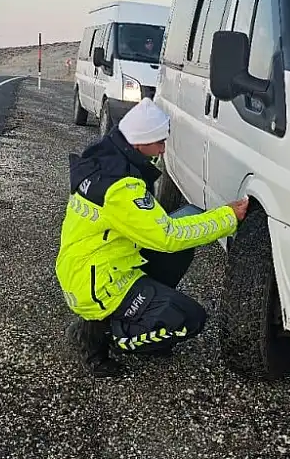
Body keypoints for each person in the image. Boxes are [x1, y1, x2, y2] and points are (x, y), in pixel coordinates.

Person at [56, 98, 249, 377]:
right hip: (99, 285)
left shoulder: (103, 161)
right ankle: (101, 335)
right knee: (190, 318)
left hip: (89, 266)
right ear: (139, 143)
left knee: (183, 241)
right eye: (159, 142)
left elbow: (161, 230)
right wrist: (227, 217)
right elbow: (168, 236)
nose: (162, 148)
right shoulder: (121, 188)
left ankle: (124, 317)